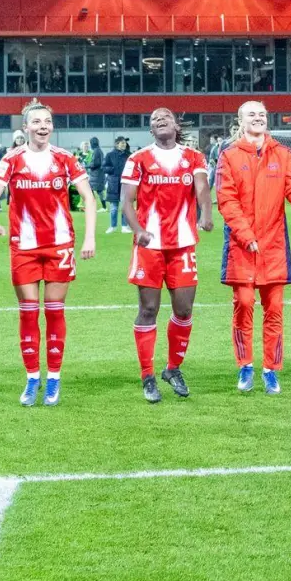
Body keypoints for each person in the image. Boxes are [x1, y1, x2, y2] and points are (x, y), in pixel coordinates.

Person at [0, 100, 99, 406]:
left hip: (60, 244)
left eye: (47, 121)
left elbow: (88, 197)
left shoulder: (65, 159)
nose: (43, 126)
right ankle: (32, 376)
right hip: (24, 247)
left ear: (52, 125)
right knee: (29, 312)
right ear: (25, 128)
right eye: (36, 122)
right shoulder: (11, 159)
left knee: (54, 310)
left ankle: (54, 379)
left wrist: (89, 238)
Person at [216, 100, 291, 394]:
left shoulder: (282, 154)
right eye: (251, 115)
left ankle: (271, 369)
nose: (257, 119)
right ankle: (245, 365)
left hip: (273, 246)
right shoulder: (229, 156)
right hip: (241, 246)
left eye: (262, 114)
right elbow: (226, 200)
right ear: (240, 121)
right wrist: (246, 235)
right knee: (243, 304)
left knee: (275, 309)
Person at [120, 108, 212, 402]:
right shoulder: (138, 159)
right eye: (153, 120)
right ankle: (147, 375)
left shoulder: (194, 157)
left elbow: (202, 188)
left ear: (175, 125)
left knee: (184, 310)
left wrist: (206, 215)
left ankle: (173, 368)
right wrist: (138, 231)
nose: (159, 121)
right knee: (148, 309)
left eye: (164, 118)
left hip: (183, 244)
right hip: (150, 246)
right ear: (151, 130)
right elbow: (127, 200)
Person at [103, 137, 131, 234]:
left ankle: (124, 226)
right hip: (113, 184)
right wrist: (113, 170)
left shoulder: (129, 155)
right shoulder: (110, 155)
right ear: (116, 144)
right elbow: (104, 167)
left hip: (126, 183)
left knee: (125, 206)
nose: (124, 145)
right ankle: (112, 226)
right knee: (114, 207)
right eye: (122, 143)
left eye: (124, 143)